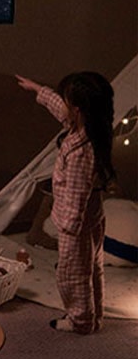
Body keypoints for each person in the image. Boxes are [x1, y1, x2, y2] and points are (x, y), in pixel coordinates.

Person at [16, 72, 116, 334]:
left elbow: (76, 193)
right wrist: (38, 88)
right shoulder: (87, 127)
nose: (63, 106)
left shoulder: (82, 150)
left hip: (78, 221)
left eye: (67, 101)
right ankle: (94, 315)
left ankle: (81, 321)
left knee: (72, 273)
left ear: (78, 109)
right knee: (92, 267)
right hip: (92, 214)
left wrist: (68, 232)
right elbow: (61, 109)